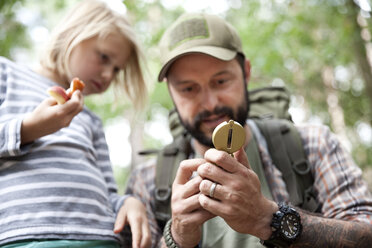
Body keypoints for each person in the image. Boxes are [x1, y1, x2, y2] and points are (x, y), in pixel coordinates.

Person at [125, 13, 372, 247]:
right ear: (171, 92)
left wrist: (268, 219)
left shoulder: (313, 145)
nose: (210, 103)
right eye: (188, 89)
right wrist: (176, 236)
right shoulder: (147, 180)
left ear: (246, 72)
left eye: (221, 81)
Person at [0, 0, 151, 247]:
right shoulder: (6, 74)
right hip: (27, 236)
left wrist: (126, 202)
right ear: (74, 33)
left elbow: (107, 192)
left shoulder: (90, 119)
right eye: (104, 58)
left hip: (100, 239)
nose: (108, 75)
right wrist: (29, 129)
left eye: (116, 70)